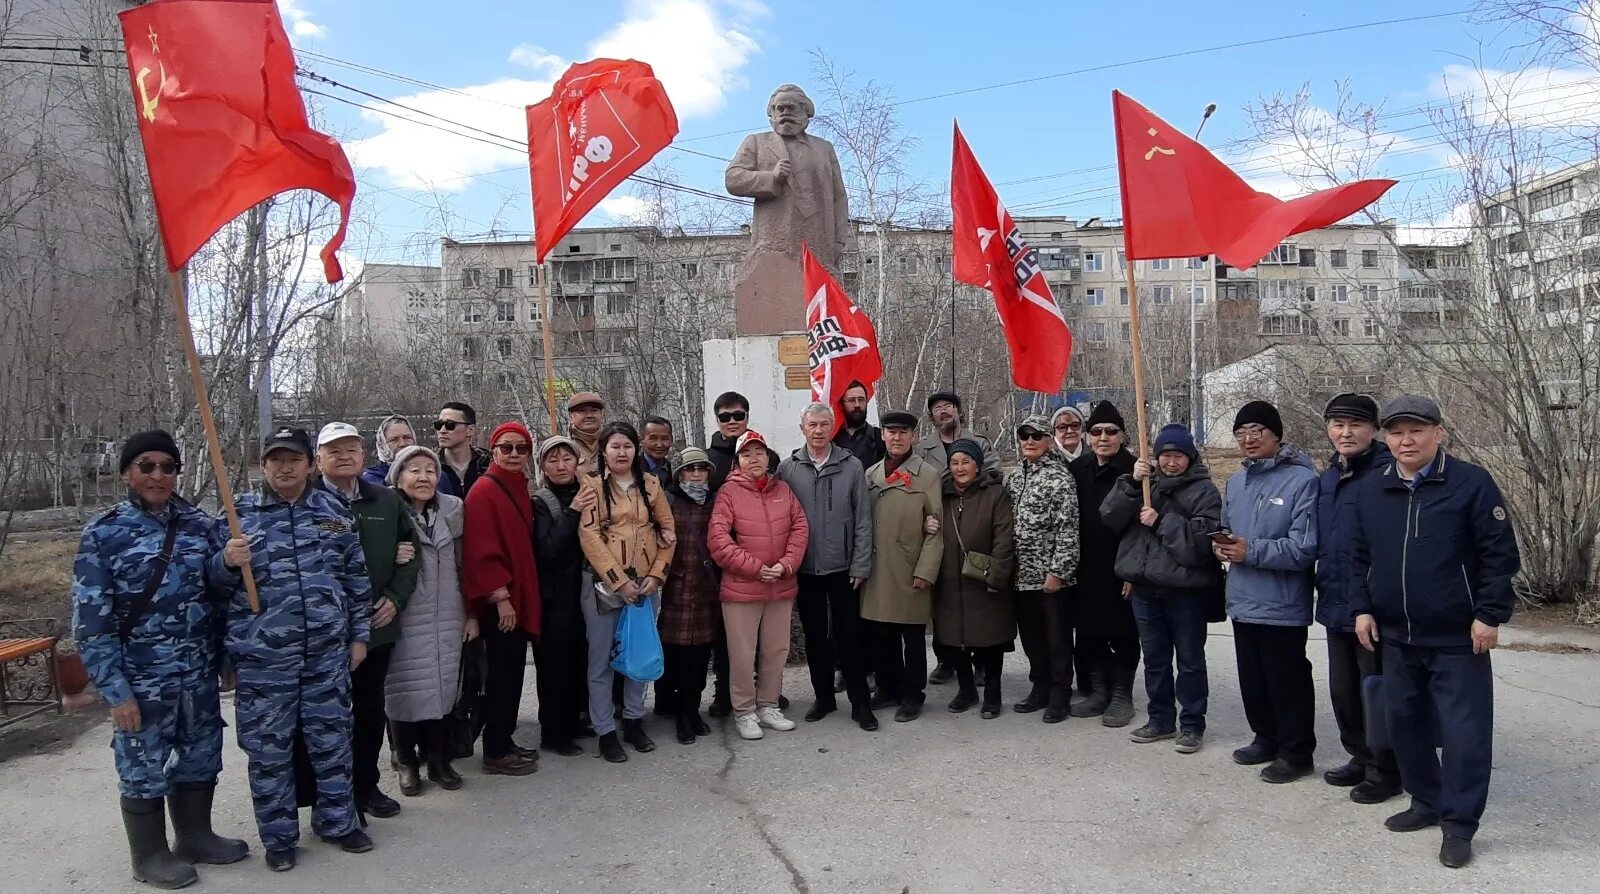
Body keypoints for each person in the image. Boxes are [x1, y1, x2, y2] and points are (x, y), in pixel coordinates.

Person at [73, 430, 249, 888]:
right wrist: (115, 691)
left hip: (197, 670)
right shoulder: (104, 532)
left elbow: (218, 595)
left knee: (201, 754)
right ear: (128, 472)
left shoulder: (199, 524)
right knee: (141, 764)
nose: (157, 475)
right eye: (146, 466)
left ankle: (195, 836)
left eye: (167, 467)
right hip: (140, 677)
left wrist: (225, 650)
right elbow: (91, 622)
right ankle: (148, 855)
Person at [1351, 396, 1520, 870]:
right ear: (1386, 437)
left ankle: (1459, 825)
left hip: (1457, 637)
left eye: (1416, 431)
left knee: (1465, 734)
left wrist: (1489, 614)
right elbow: (1355, 554)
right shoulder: (1373, 487)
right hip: (1396, 635)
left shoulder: (1471, 484)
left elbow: (1499, 556)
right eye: (1396, 431)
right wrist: (1361, 608)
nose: (1406, 440)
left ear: (1438, 434)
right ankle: (1425, 802)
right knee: (1404, 723)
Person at [223, 427, 372, 871]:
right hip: (264, 658)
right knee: (269, 751)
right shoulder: (237, 516)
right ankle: (279, 836)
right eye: (275, 460)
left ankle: (338, 822)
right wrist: (224, 562)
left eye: (293, 459)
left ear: (310, 464)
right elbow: (210, 588)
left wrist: (359, 635)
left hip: (326, 654)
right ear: (263, 465)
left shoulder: (333, 511)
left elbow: (355, 577)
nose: (284, 468)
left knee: (332, 741)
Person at [315, 421, 418, 820]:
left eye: (351, 449)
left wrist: (395, 597)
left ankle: (366, 786)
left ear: (364, 455)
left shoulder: (386, 501)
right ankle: (331, 795)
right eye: (334, 450)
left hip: (376, 625)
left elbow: (411, 554)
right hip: (321, 631)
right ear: (318, 458)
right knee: (326, 716)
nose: (344, 456)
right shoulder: (304, 502)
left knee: (370, 709)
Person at [1100, 424, 1222, 754]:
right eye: (1165, 456)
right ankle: (1161, 719)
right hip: (1145, 588)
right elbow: (1110, 517)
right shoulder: (1144, 484)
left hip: (1185, 592)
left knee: (1190, 660)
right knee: (1155, 660)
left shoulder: (1205, 492)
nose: (1170, 462)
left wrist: (1161, 522)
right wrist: (1128, 481)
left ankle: (1193, 725)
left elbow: (1199, 547)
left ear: (1189, 457)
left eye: (1177, 456)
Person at [1215, 400, 1319, 784]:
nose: (1248, 439)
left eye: (1257, 430)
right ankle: (1265, 738)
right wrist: (1222, 546)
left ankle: (1296, 752)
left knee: (1286, 680)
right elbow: (1228, 529)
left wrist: (1249, 551)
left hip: (1281, 601)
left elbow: (1305, 548)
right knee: (1253, 678)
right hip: (1243, 599)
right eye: (1241, 432)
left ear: (1277, 435)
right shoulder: (1236, 482)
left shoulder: (1302, 481)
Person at [1314, 393, 1403, 804]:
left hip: (1373, 606)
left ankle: (1386, 769)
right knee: (1343, 690)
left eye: (1355, 425)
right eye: (1337, 424)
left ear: (1373, 430)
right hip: (1335, 601)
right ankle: (1359, 755)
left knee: (1375, 689)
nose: (1345, 433)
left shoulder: (1390, 473)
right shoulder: (1330, 475)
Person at [577, 421, 676, 762]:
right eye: (615, 446)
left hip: (646, 585)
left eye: (628, 446)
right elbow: (589, 536)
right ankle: (605, 730)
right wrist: (619, 581)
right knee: (601, 661)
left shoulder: (650, 485)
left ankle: (634, 720)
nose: (622, 452)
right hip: (606, 587)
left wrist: (657, 575)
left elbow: (667, 531)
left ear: (636, 449)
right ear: (604, 451)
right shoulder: (591, 486)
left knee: (640, 654)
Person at [777, 402, 877, 731]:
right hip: (806, 569)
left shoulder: (851, 467)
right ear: (803, 428)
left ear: (831, 428)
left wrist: (860, 564)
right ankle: (824, 698)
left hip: (844, 569)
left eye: (823, 425)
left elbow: (863, 520)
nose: (818, 431)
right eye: (812, 425)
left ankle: (861, 703)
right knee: (816, 637)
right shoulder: (788, 469)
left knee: (850, 636)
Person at [709, 429, 809, 741]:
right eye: (747, 454)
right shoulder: (729, 493)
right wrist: (756, 568)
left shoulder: (782, 489)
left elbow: (800, 527)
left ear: (768, 457)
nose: (754, 459)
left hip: (780, 585)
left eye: (759, 452)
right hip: (742, 589)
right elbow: (718, 540)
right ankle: (744, 711)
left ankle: (768, 705)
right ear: (738, 460)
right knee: (742, 652)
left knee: (776, 650)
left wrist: (786, 564)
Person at [460, 421, 542, 778]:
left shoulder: (517, 485)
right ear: (492, 451)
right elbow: (481, 551)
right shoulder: (483, 491)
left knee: (510, 676)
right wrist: (501, 598)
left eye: (520, 449)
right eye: (505, 447)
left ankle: (504, 740)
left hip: (517, 596)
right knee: (502, 675)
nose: (513, 454)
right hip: (503, 603)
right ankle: (495, 749)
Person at [383, 446, 467, 796]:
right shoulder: (385, 511)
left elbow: (466, 564)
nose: (423, 477)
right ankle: (405, 760)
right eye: (413, 470)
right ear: (398, 477)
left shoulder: (452, 510)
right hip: (404, 615)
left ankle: (438, 759)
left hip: (447, 612)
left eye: (429, 470)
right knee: (403, 689)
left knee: (443, 688)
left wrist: (472, 613)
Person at [859, 410, 943, 722]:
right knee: (882, 634)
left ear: (913, 436)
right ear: (882, 435)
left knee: (911, 637)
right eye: (891, 431)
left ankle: (912, 693)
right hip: (878, 568)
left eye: (903, 432)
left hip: (909, 567)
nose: (896, 437)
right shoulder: (870, 475)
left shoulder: (928, 475)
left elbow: (938, 529)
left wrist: (925, 570)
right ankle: (887, 687)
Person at [916, 389, 998, 686]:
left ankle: (980, 661)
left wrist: (970, 484)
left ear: (958, 411)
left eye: (948, 406)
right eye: (937, 408)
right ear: (932, 416)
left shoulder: (979, 442)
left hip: (977, 522)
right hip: (942, 525)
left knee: (977, 599)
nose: (943, 412)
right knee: (944, 600)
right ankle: (946, 659)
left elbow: (995, 473)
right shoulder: (922, 448)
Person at [1068, 401, 1141, 728]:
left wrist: (1134, 570)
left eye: (1111, 431)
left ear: (1122, 434)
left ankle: (1122, 695)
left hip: (1121, 566)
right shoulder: (1078, 469)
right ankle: (1098, 691)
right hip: (1085, 565)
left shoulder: (1136, 470)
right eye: (1096, 431)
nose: (1103, 437)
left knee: (1124, 632)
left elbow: (1143, 528)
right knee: (1089, 631)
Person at [931, 439, 1016, 717]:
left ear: (977, 465)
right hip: (948, 580)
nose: (960, 468)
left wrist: (997, 576)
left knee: (990, 641)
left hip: (984, 578)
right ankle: (966, 689)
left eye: (966, 461)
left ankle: (993, 693)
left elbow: (1004, 538)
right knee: (953, 640)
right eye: (954, 462)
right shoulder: (941, 496)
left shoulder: (995, 494)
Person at [1007, 414, 1081, 724]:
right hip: (1021, 576)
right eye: (1025, 435)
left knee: (1057, 639)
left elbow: (1069, 528)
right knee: (1032, 638)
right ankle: (1040, 687)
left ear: (1049, 440)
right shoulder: (1014, 477)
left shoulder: (1059, 477)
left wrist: (1059, 572)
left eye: (1037, 435)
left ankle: (1060, 694)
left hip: (1051, 576)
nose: (1030, 441)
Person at [531, 435, 597, 757]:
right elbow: (548, 550)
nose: (560, 465)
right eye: (552, 460)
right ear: (543, 465)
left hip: (581, 595)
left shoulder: (586, 492)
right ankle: (553, 733)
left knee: (577, 662)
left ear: (577, 462)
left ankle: (572, 721)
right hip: (553, 597)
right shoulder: (541, 501)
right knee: (553, 668)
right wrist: (572, 513)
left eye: (566, 458)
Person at [660, 447, 722, 744]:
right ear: (679, 473)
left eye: (701, 468)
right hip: (676, 590)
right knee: (678, 658)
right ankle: (681, 715)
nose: (696, 474)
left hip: (707, 590)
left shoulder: (716, 502)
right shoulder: (669, 502)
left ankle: (693, 710)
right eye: (690, 469)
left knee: (700, 659)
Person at [707, 390, 780, 490]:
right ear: (717, 420)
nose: (732, 421)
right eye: (725, 417)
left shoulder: (769, 457)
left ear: (747, 417)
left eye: (738, 416)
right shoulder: (706, 460)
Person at [434, 402, 492, 496]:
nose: (442, 430)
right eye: (438, 425)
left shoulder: (488, 463)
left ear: (470, 430)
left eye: (450, 424)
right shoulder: (431, 466)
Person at [833, 380, 885, 469]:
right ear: (842, 403)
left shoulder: (880, 437)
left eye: (861, 400)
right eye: (852, 400)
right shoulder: (832, 439)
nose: (857, 405)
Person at [362, 414, 416, 487]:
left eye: (407, 437)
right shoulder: (370, 481)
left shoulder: (428, 473)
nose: (403, 444)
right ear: (382, 445)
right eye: (394, 440)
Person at [566, 391, 606, 473]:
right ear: (571, 417)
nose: (589, 415)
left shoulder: (614, 444)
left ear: (602, 414)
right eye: (582, 411)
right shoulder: (564, 447)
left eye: (594, 410)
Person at [641, 416, 675, 488]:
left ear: (671, 440)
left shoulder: (675, 473)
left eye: (664, 439)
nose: (659, 445)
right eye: (653, 438)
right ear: (641, 440)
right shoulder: (631, 469)